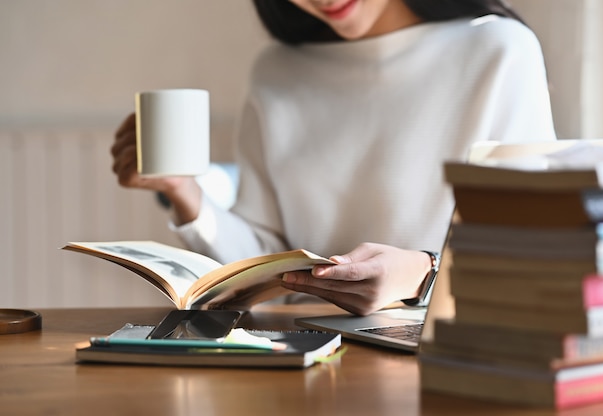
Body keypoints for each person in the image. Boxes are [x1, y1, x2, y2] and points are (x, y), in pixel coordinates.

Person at [111, 0, 556, 316]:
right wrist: (184, 191)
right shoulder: (277, 70)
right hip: (298, 353)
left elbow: (537, 258)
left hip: (440, 350)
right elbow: (268, 261)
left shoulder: (500, 51)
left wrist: (422, 276)